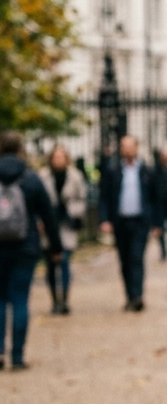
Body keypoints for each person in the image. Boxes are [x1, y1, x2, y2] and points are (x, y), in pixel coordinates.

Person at [0, 131, 62, 369]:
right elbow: (48, 215)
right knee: (19, 300)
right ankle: (17, 356)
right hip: (25, 247)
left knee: (0, 299)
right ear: (21, 149)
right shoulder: (30, 178)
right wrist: (55, 247)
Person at [99, 135, 158, 311]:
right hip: (121, 222)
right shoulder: (114, 170)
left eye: (130, 146)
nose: (127, 150)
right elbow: (105, 197)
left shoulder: (146, 171)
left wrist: (156, 223)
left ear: (136, 148)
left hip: (140, 222)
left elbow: (155, 198)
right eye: (124, 146)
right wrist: (105, 219)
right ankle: (130, 296)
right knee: (125, 260)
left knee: (136, 258)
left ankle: (138, 296)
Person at [39, 145, 88, 314]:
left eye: (61, 156)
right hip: (48, 226)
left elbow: (82, 198)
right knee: (51, 265)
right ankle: (54, 300)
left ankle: (65, 300)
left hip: (67, 225)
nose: (58, 160)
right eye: (55, 157)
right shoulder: (43, 176)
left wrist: (73, 212)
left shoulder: (75, 176)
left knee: (65, 262)